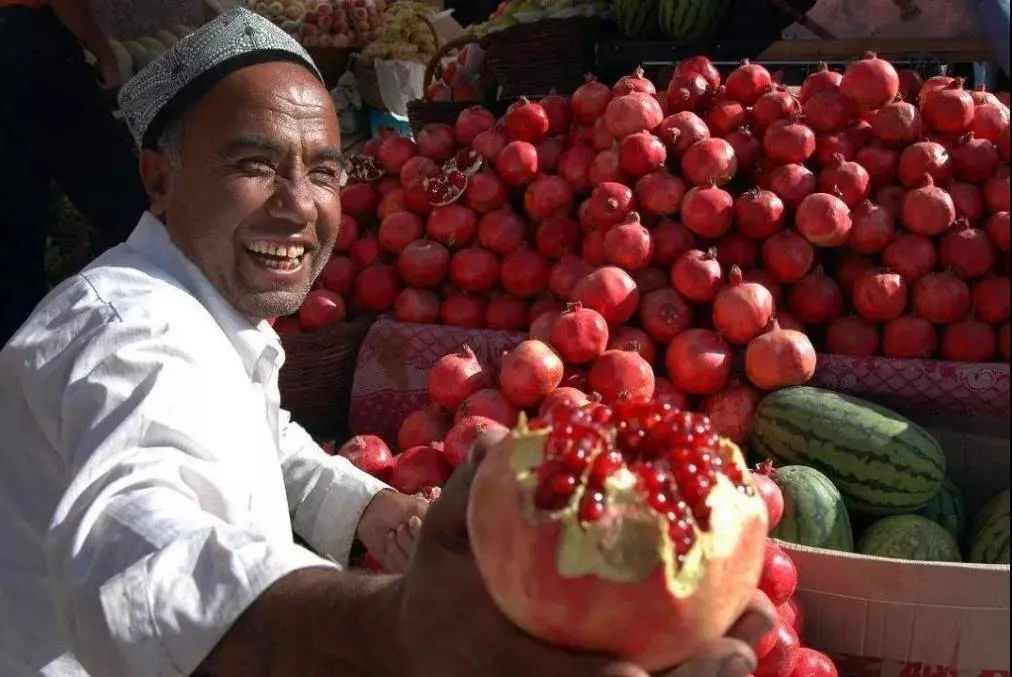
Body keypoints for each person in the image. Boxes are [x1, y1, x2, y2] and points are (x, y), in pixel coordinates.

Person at [0, 8, 774, 676]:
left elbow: (264, 434)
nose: (298, 207)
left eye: (325, 172)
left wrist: (371, 506)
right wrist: (386, 628)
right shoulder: (132, 331)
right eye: (254, 164)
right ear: (159, 180)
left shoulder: (209, 312)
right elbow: (133, 551)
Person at [0, 0, 150, 347]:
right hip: (27, 45)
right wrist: (105, 53)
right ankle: (163, 304)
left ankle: (16, 357)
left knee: (14, 221)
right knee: (125, 206)